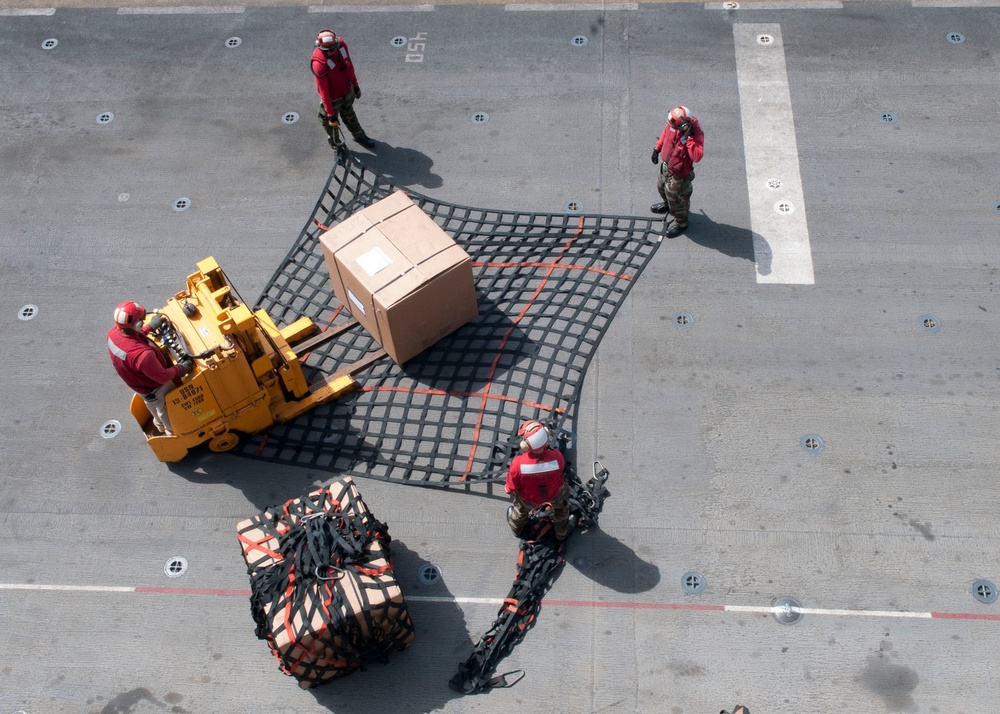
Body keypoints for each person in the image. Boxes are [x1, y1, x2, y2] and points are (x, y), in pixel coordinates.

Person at [107, 301, 192, 435]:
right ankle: (172, 432)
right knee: (166, 408)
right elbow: (163, 376)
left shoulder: (113, 334)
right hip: (155, 386)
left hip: (139, 384)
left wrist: (149, 327)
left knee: (152, 404)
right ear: (137, 325)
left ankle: (159, 425)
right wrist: (181, 369)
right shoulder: (143, 356)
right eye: (142, 320)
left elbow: (132, 340)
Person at [311, 29, 376, 152]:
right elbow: (323, 91)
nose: (332, 51)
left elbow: (349, 66)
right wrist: (330, 115)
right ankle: (337, 147)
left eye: (333, 48)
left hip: (347, 91)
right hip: (333, 98)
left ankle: (359, 136)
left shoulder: (341, 45)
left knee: (349, 115)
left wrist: (355, 86)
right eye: (328, 50)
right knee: (330, 126)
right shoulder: (319, 64)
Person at [505, 420, 571, 540]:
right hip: (554, 493)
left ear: (525, 445)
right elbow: (561, 471)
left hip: (529, 498)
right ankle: (561, 533)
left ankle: (516, 529)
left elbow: (512, 487)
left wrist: (509, 489)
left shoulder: (518, 463)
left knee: (520, 511)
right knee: (562, 510)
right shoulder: (557, 456)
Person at [650, 105, 705, 238]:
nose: (672, 128)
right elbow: (665, 133)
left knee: (677, 200)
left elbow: (697, 156)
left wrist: (690, 139)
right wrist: (657, 149)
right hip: (667, 166)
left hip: (679, 174)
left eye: (675, 127)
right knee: (661, 187)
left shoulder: (695, 134)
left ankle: (681, 223)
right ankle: (667, 204)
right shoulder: (674, 124)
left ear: (684, 125)